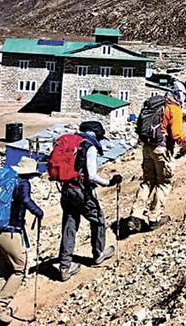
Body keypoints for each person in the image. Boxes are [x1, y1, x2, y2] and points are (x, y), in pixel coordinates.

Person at [128, 81, 186, 234]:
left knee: (147, 181)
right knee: (163, 183)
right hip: (161, 149)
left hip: (147, 147)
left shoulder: (157, 104)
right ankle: (154, 218)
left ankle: (135, 216)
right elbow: (177, 135)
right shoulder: (174, 109)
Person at [58, 121, 122, 282]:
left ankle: (65, 266)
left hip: (66, 188)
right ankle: (98, 254)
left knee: (69, 225)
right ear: (95, 134)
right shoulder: (89, 147)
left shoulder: (70, 141)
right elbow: (92, 175)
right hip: (81, 190)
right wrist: (109, 182)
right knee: (98, 219)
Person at [0, 157, 44, 322]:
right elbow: (26, 200)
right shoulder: (22, 183)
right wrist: (38, 212)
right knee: (19, 269)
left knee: (1, 269)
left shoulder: (5, 181)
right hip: (10, 232)